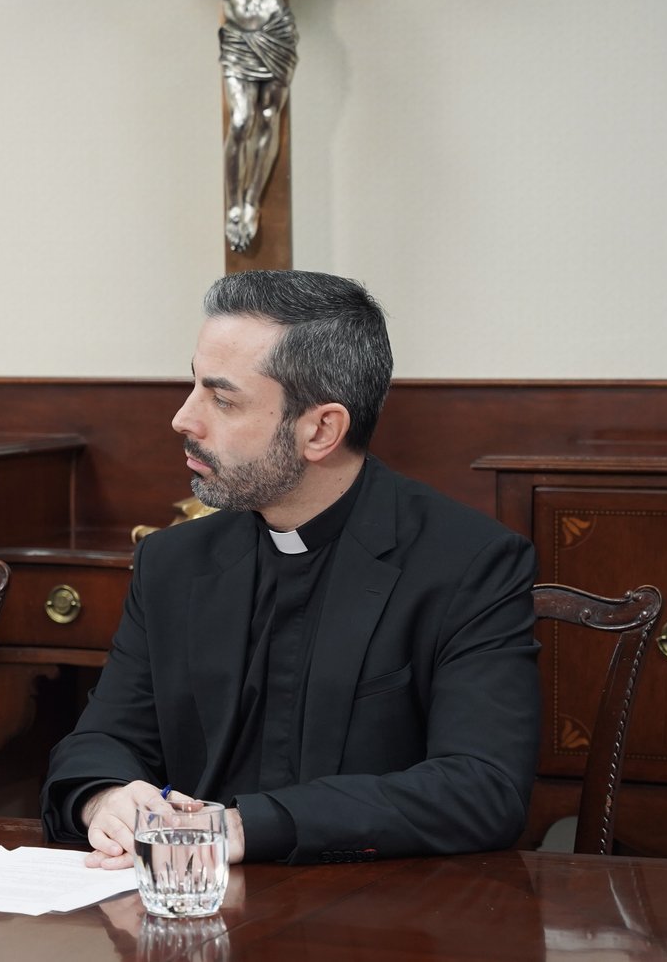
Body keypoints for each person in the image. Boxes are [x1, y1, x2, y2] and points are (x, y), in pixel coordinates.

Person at [42, 270, 539, 865]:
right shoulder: (172, 561)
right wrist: (107, 798)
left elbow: (481, 788)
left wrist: (244, 827)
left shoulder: (469, 563)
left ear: (321, 429)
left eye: (222, 399)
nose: (183, 419)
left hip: (374, 922)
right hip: (190, 920)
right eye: (193, 385)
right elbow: (102, 738)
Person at [134, 0, 353, 254]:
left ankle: (253, 200)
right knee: (239, 120)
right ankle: (234, 205)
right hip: (237, 39)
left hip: (274, 35)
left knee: (267, 118)